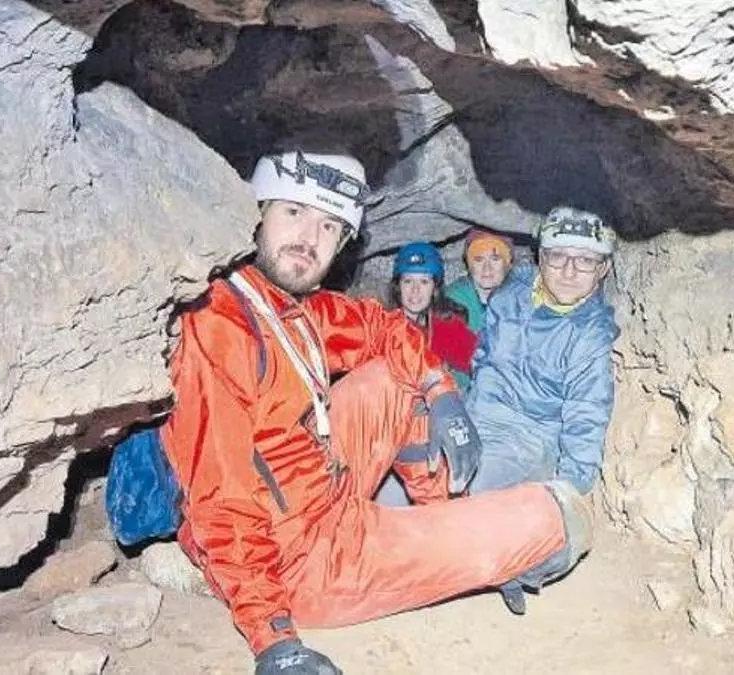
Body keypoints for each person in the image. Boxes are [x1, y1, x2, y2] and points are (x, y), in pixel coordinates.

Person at [160, 151, 594, 675]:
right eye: (292, 214)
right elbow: (221, 500)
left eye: (328, 227)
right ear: (255, 214)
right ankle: (445, 545)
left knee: (395, 375)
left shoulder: (292, 306)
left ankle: (438, 516)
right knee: (554, 517)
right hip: (302, 558)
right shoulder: (220, 328)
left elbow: (387, 330)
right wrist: (273, 640)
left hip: (323, 486)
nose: (308, 239)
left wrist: (442, 394)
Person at [465, 206, 619, 617]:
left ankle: (510, 558)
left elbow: (588, 413)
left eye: (585, 261)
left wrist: (571, 489)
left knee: (460, 497)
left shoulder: (590, 335)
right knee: (395, 484)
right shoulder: (510, 296)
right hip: (476, 415)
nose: (569, 271)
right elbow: (482, 357)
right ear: (539, 258)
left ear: (602, 269)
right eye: (557, 257)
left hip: (527, 439)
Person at [389, 241, 478, 390]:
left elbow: (482, 360)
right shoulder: (383, 327)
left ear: (434, 288)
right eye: (408, 281)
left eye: (424, 282)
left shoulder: (443, 328)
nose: (415, 290)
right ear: (399, 287)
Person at [444, 228, 514, 332]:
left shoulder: (520, 299)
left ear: (508, 264)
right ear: (469, 265)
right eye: (479, 260)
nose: (487, 268)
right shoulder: (453, 301)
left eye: (495, 259)